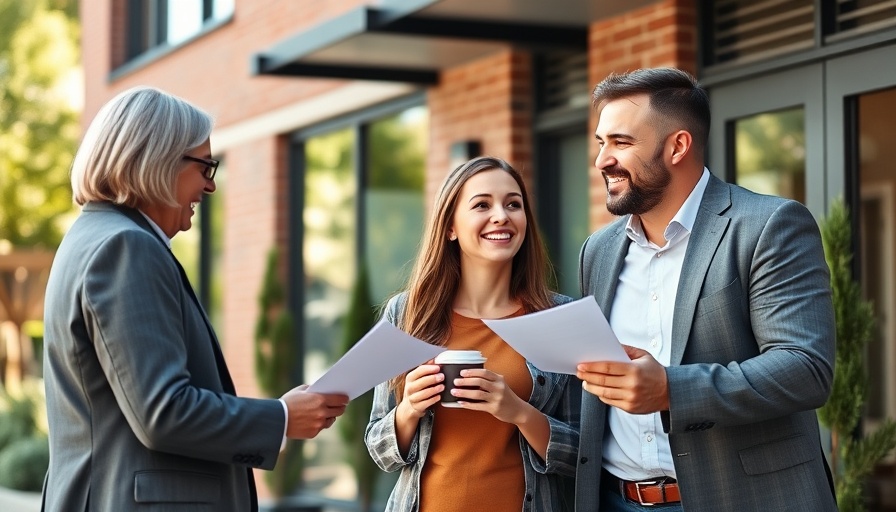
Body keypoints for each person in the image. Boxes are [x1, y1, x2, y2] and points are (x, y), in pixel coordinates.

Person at [41, 86, 349, 512]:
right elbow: (163, 412)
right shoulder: (126, 248)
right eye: (205, 166)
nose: (210, 187)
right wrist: (281, 419)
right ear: (156, 159)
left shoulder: (90, 238)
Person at [574, 67, 837, 511]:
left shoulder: (769, 225)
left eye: (621, 142)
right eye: (601, 143)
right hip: (614, 498)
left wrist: (671, 391)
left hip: (742, 498)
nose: (602, 160)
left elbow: (805, 368)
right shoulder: (597, 250)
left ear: (678, 145)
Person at [365, 156, 581, 511]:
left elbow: (584, 455)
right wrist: (409, 409)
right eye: (482, 204)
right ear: (450, 226)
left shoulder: (559, 318)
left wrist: (518, 411)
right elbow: (380, 449)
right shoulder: (406, 314)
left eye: (514, 204)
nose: (501, 215)